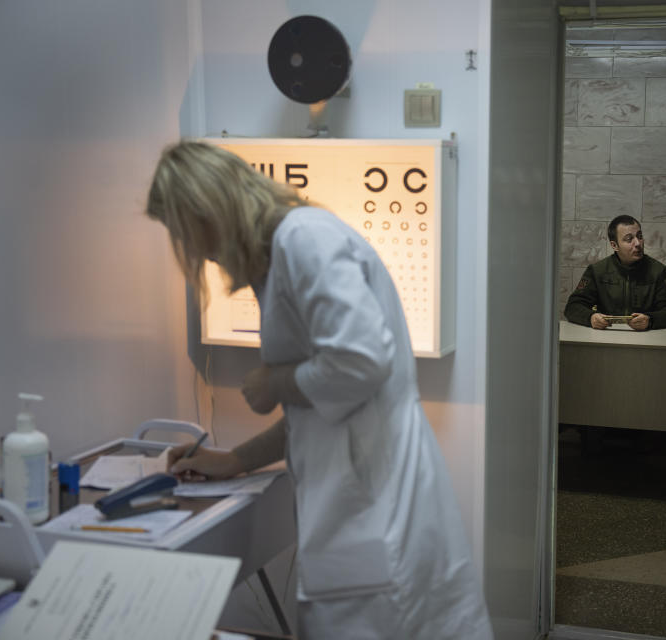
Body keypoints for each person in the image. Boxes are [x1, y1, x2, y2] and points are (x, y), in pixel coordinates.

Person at [146, 140, 492, 640]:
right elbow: (320, 407)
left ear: (208, 208)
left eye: (185, 231)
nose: (195, 252)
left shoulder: (302, 238)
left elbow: (362, 361)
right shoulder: (280, 256)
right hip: (354, 503)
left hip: (373, 512)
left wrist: (275, 381)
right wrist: (234, 460)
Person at [564, 215, 666, 331]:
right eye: (629, 239)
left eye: (640, 236)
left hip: (647, 340)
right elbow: (573, 307)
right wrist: (590, 318)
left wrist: (650, 320)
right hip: (606, 339)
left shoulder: (659, 271)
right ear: (614, 245)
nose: (638, 243)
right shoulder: (597, 271)